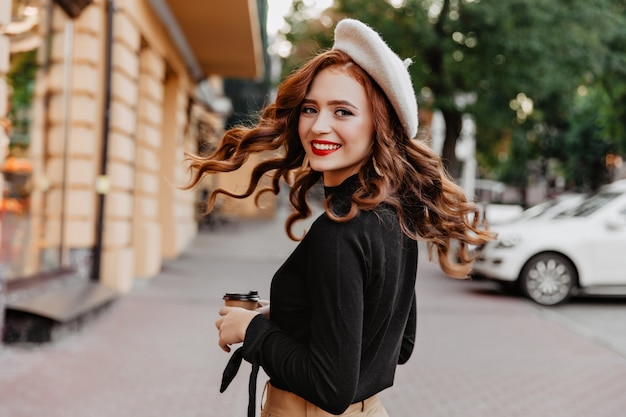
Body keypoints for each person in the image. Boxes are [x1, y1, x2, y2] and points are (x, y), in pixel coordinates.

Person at [186, 18, 494, 417]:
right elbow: (397, 345)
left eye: (343, 111)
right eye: (310, 108)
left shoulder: (339, 232)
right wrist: (283, 315)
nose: (319, 125)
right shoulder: (396, 216)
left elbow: (331, 387)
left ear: (380, 127)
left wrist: (252, 331)